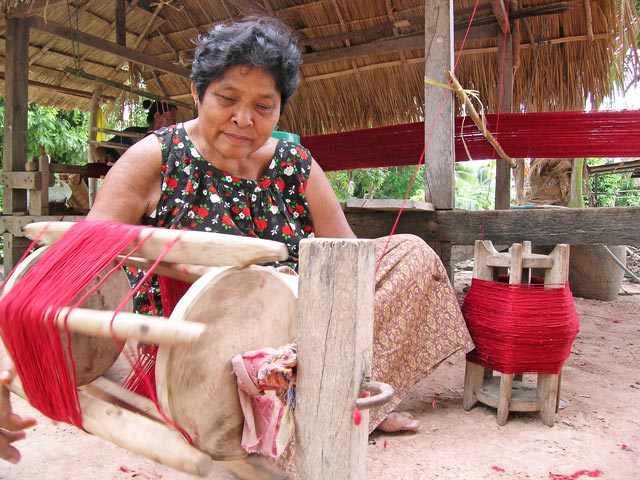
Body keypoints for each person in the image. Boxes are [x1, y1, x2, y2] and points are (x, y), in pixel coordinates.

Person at [0, 14, 473, 463]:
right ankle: (301, 413)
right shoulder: (157, 158)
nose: (244, 119)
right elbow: (80, 262)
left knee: (410, 254)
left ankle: (338, 401)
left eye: (263, 106)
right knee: (243, 357)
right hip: (200, 350)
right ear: (197, 93)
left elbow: (350, 262)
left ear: (281, 107)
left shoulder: (295, 163)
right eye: (227, 99)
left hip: (293, 332)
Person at [102, 100, 178, 164]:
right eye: (171, 118)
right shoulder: (132, 133)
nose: (175, 123)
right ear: (157, 115)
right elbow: (101, 148)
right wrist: (103, 157)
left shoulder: (173, 140)